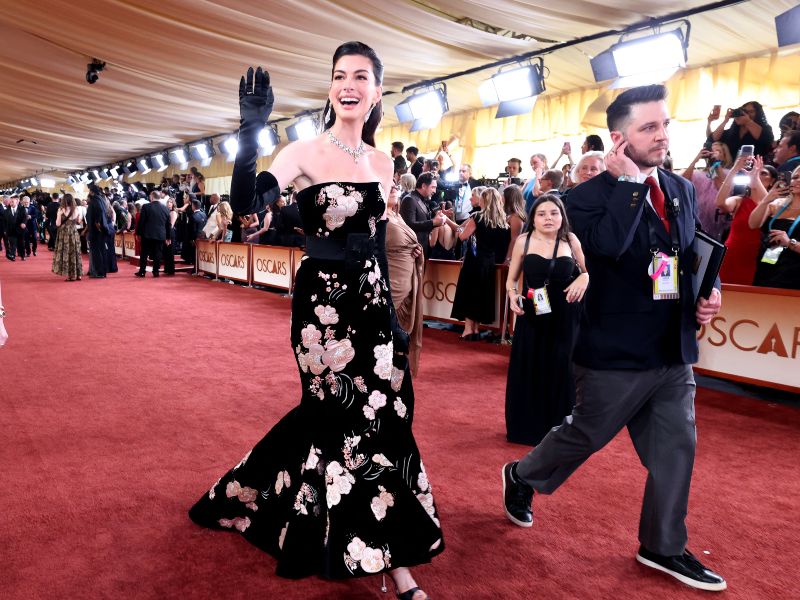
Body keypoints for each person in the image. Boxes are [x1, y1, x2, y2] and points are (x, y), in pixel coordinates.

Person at [188, 42, 442, 600]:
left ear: (377, 91)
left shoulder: (383, 162)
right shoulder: (301, 152)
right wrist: (251, 132)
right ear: (330, 88)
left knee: (385, 412)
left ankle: (380, 544)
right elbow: (248, 204)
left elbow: (378, 241)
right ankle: (385, 557)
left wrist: (392, 317)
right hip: (322, 307)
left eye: (361, 76)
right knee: (340, 413)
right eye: (339, 75)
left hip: (371, 303)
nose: (349, 84)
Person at [502, 84, 726, 592]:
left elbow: (689, 254)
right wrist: (630, 183)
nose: (662, 135)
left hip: (672, 349)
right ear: (619, 139)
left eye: (665, 125)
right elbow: (607, 248)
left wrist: (708, 294)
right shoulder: (582, 200)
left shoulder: (680, 188)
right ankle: (521, 475)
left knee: (676, 448)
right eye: (649, 127)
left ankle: (662, 545)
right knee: (585, 434)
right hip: (612, 350)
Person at [505, 194, 588, 445]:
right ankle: (527, 427)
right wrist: (512, 295)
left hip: (566, 316)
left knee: (562, 369)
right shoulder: (523, 241)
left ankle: (560, 429)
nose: (548, 218)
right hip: (533, 315)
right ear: (533, 218)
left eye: (554, 213)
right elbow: (511, 280)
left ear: (562, 216)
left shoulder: (570, 240)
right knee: (530, 367)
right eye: (541, 214)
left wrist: (584, 277)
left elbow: (587, 272)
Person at [448, 188, 510, 340]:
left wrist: (458, 229)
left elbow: (462, 236)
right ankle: (475, 329)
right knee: (480, 294)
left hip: (474, 260)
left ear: (484, 200)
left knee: (469, 293)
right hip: (489, 262)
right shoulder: (502, 221)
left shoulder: (477, 217)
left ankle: (468, 329)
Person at [716, 155, 777, 284]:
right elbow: (720, 203)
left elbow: (769, 204)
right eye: (756, 172)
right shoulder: (740, 200)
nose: (757, 174)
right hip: (732, 254)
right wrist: (734, 169)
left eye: (763, 173)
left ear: (772, 181)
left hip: (756, 258)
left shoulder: (775, 204)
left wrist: (755, 178)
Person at [386, 183, 424, 375]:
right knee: (387, 332)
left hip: (406, 280)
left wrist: (415, 250)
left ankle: (396, 375)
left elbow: (406, 244)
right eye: (389, 185)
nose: (394, 188)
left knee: (400, 337)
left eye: (396, 186)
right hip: (390, 282)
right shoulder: (378, 217)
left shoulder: (397, 215)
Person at [748, 165, 800, 289]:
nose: (797, 181)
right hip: (767, 266)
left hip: (794, 273)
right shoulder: (777, 205)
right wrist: (767, 199)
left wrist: (789, 242)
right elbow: (753, 224)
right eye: (795, 177)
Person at [680, 142, 733, 240]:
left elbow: (722, 187)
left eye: (718, 151)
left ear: (724, 156)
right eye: (711, 150)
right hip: (697, 218)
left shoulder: (728, 174)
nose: (713, 153)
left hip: (716, 220)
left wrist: (717, 164)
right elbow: (682, 182)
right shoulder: (699, 174)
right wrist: (695, 160)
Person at [399, 171, 446, 260]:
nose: (435, 191)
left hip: (422, 249)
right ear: (424, 186)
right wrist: (433, 222)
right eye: (433, 187)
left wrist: (436, 221)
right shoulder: (410, 199)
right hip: (412, 251)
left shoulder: (422, 199)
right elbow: (409, 225)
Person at [708, 101, 774, 159]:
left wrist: (747, 121)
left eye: (751, 112)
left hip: (756, 166)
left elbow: (766, 139)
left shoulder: (765, 129)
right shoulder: (732, 131)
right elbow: (713, 138)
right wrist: (725, 120)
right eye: (745, 111)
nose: (747, 114)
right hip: (732, 167)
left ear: (758, 114)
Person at [134, 190, 171, 278]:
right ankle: (156, 272)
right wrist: (168, 237)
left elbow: (141, 222)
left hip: (147, 234)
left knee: (144, 253)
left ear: (151, 197)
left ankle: (142, 271)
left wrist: (138, 233)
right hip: (160, 235)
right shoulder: (166, 209)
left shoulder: (146, 207)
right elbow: (168, 224)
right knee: (158, 254)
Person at [51, 193, 83, 281]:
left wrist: (59, 214)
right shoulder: (76, 209)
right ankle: (78, 274)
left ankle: (71, 275)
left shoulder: (61, 209)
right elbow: (79, 221)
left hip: (64, 233)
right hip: (74, 232)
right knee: (75, 253)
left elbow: (58, 224)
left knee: (66, 253)